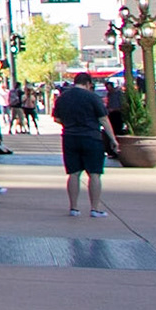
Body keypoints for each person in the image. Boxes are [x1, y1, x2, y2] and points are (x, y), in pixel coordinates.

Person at [52, 71, 116, 216]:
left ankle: (74, 208)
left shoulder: (63, 97)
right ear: (88, 84)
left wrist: (69, 124)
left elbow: (57, 118)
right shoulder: (92, 97)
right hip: (91, 137)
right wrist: (113, 139)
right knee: (94, 174)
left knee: (73, 173)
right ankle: (95, 208)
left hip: (70, 137)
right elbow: (103, 119)